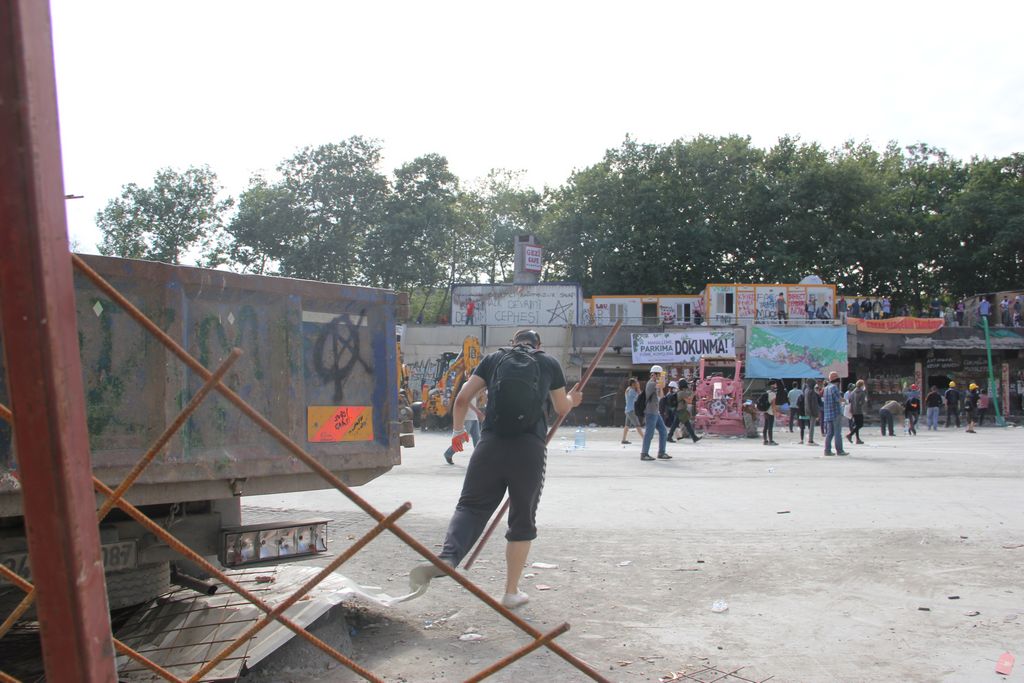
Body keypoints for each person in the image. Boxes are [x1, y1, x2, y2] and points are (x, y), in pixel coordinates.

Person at [409, 329, 581, 610]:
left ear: (513, 343)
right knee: (522, 519)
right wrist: (574, 399)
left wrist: (457, 431)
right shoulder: (548, 362)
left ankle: (448, 558)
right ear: (539, 345)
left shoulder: (493, 360)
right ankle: (510, 592)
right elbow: (561, 407)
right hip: (529, 449)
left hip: (489, 446)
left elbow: (463, 399)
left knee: (470, 507)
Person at [443, 390, 484, 464]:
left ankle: (479, 459)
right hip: (467, 417)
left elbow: (475, 400)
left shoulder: (476, 387)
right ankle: (448, 453)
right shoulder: (466, 385)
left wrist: (481, 392)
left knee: (477, 439)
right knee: (462, 439)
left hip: (474, 418)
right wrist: (477, 411)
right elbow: (466, 401)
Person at [640, 365, 671, 461]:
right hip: (650, 412)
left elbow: (661, 395)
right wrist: (661, 381)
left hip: (655, 412)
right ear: (654, 374)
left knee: (663, 431)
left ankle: (661, 452)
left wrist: (661, 382)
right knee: (649, 433)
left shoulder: (655, 383)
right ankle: (644, 453)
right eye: (659, 375)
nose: (660, 377)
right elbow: (661, 390)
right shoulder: (651, 384)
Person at [822, 371, 849, 456]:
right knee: (837, 433)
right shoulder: (834, 388)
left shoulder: (826, 388)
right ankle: (840, 450)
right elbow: (838, 399)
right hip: (835, 413)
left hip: (827, 414)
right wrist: (846, 401)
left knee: (829, 433)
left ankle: (827, 450)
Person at [621, 378, 644, 444]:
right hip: (631, 410)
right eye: (636, 383)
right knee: (637, 425)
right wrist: (638, 388)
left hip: (628, 410)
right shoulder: (631, 391)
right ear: (633, 384)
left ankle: (623, 440)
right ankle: (644, 439)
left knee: (627, 425)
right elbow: (640, 396)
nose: (637, 384)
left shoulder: (629, 389)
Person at [847, 379, 867, 445]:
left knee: (856, 425)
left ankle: (857, 439)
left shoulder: (852, 392)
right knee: (860, 425)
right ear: (861, 385)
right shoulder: (862, 392)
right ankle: (850, 435)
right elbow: (862, 402)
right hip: (859, 410)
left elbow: (849, 400)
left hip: (853, 410)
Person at [802, 379, 820, 445]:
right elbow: (813, 403)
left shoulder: (806, 391)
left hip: (808, 410)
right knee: (812, 426)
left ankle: (810, 439)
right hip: (812, 411)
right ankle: (810, 440)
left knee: (810, 426)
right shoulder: (812, 392)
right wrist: (816, 413)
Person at [761, 380, 779, 446]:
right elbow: (773, 405)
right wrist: (775, 413)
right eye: (775, 384)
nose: (776, 385)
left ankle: (765, 440)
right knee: (770, 427)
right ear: (772, 385)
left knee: (765, 426)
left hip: (765, 411)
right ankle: (771, 441)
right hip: (770, 412)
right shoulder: (773, 394)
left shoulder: (766, 392)